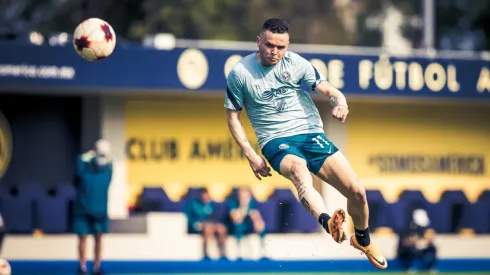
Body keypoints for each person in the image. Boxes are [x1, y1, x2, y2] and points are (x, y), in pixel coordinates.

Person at [224, 18, 387, 269]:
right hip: (275, 140)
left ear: (287, 46)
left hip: (311, 134)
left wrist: (340, 102)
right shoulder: (240, 73)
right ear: (258, 41)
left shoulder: (296, 63)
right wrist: (251, 154)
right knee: (300, 172)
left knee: (357, 191)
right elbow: (232, 117)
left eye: (281, 47)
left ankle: (363, 240)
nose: (274, 52)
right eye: (269, 45)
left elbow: (330, 90)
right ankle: (327, 222)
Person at [73, 139, 113, 275]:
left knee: (99, 237)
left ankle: (97, 266)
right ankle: (82, 267)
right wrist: (82, 160)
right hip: (83, 208)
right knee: (82, 237)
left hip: (100, 210)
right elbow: (76, 180)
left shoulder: (108, 168)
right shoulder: (83, 166)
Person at [183, 188, 228, 260]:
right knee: (208, 229)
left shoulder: (212, 205)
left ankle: (222, 253)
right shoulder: (193, 204)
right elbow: (188, 216)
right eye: (203, 195)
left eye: (206, 195)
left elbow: (215, 217)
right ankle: (205, 253)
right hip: (198, 225)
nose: (205, 197)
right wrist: (197, 223)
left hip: (211, 224)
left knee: (221, 229)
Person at [226, 187, 267, 260]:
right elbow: (236, 219)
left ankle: (263, 251)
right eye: (242, 195)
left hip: (249, 225)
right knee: (238, 226)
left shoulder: (252, 203)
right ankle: (239, 252)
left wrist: (257, 223)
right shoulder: (233, 203)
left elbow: (256, 216)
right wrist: (244, 207)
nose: (244, 197)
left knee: (261, 227)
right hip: (235, 225)